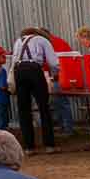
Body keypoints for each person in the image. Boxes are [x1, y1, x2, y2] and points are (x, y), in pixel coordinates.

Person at [10, 26, 61, 154]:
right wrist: (54, 75)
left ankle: (29, 147)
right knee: (44, 107)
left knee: (24, 109)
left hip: (19, 71)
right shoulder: (42, 40)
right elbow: (53, 63)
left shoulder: (18, 41)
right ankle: (49, 145)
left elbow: (14, 60)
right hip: (34, 69)